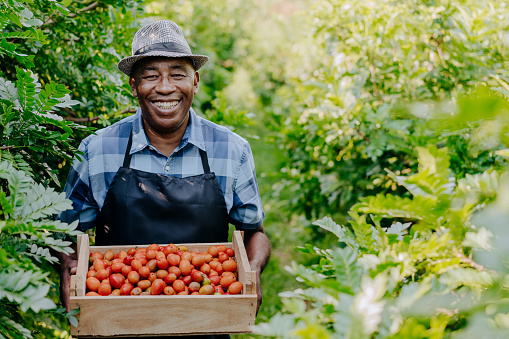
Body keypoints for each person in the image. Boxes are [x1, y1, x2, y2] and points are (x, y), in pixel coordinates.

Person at [58, 20, 271, 339]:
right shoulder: (98, 150)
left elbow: (255, 232)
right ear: (133, 85)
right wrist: (68, 268)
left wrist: (250, 271)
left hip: (206, 323)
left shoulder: (231, 150)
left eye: (177, 73)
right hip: (116, 325)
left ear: (195, 82)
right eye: (150, 75)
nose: (165, 87)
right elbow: (63, 232)